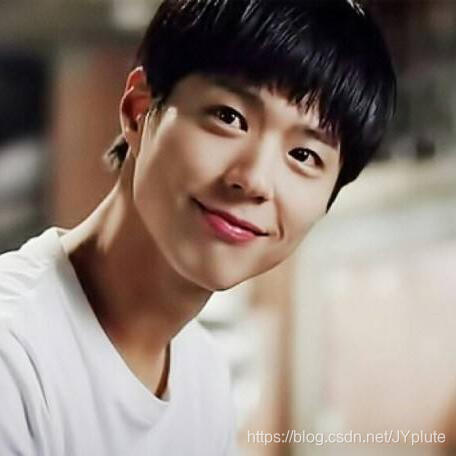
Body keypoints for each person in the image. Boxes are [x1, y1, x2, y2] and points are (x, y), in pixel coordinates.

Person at [0, 0, 396, 454]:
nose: (254, 179)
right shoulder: (15, 358)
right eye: (229, 117)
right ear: (139, 110)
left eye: (304, 156)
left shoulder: (204, 378)